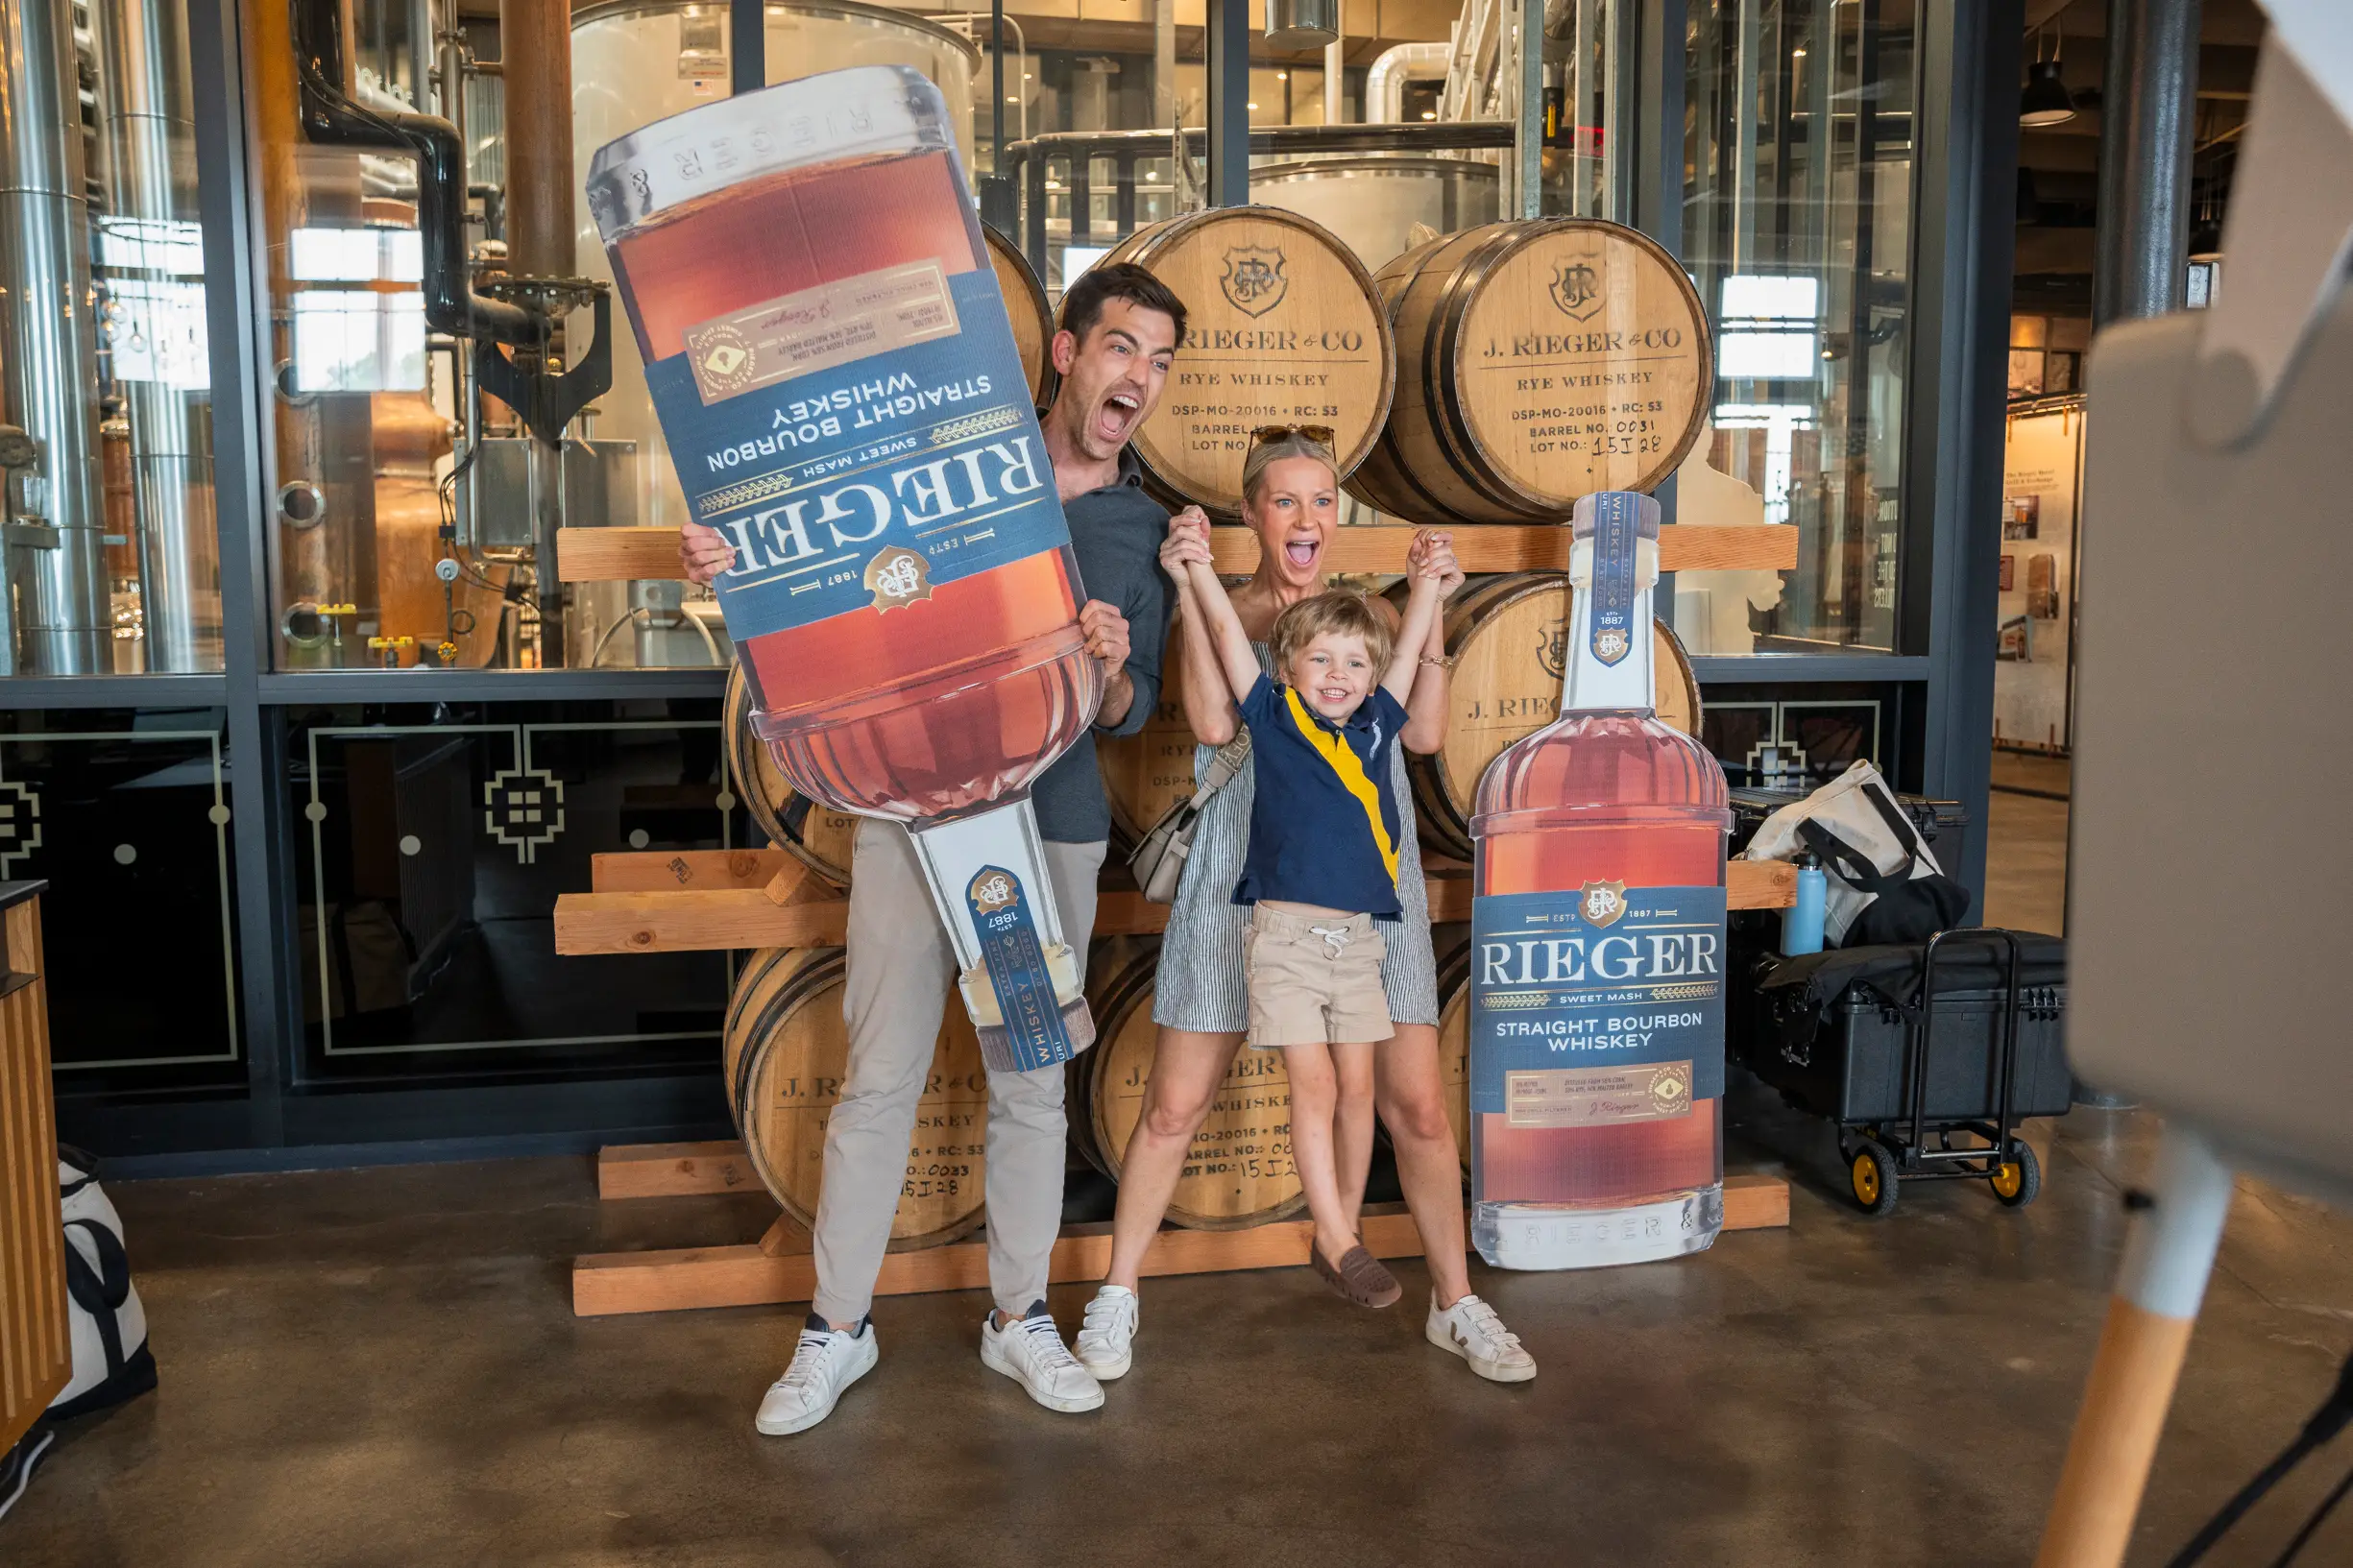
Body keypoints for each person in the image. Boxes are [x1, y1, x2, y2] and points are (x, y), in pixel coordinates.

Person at [679, 262, 1191, 1433]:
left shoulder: (1140, 528)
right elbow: (833, 572)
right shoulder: (956, 468)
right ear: (1066, 353)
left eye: (1160, 362)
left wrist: (1111, 665)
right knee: (879, 1075)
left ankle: (1018, 1317)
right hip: (912, 812)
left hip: (1047, 832)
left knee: (1031, 1082)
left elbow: (1132, 712)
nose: (1140, 377)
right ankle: (835, 1329)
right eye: (1122, 347)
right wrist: (729, 563)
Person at [1072, 428, 1537, 1385]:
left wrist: (1432, 603)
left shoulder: (1372, 614)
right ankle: (1116, 1293)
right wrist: (1192, 588)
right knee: (1173, 1105)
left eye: (1321, 500)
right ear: (1253, 513)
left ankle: (1455, 1303)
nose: (1305, 518)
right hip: (1237, 876)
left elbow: (1424, 733)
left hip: (1368, 883)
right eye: (1285, 500)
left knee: (1417, 1106)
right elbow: (1213, 722)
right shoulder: (1223, 606)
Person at [1166, 502, 1450, 1309]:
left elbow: (1406, 657)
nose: (1338, 674)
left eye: (1355, 663)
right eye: (1320, 658)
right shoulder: (1274, 717)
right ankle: (1339, 1237)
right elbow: (1229, 638)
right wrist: (1197, 573)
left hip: (1359, 941)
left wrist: (1428, 586)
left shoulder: (1376, 726)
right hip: (1285, 939)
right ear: (1288, 666)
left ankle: (1341, 1230)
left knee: (1359, 1089)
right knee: (1316, 1084)